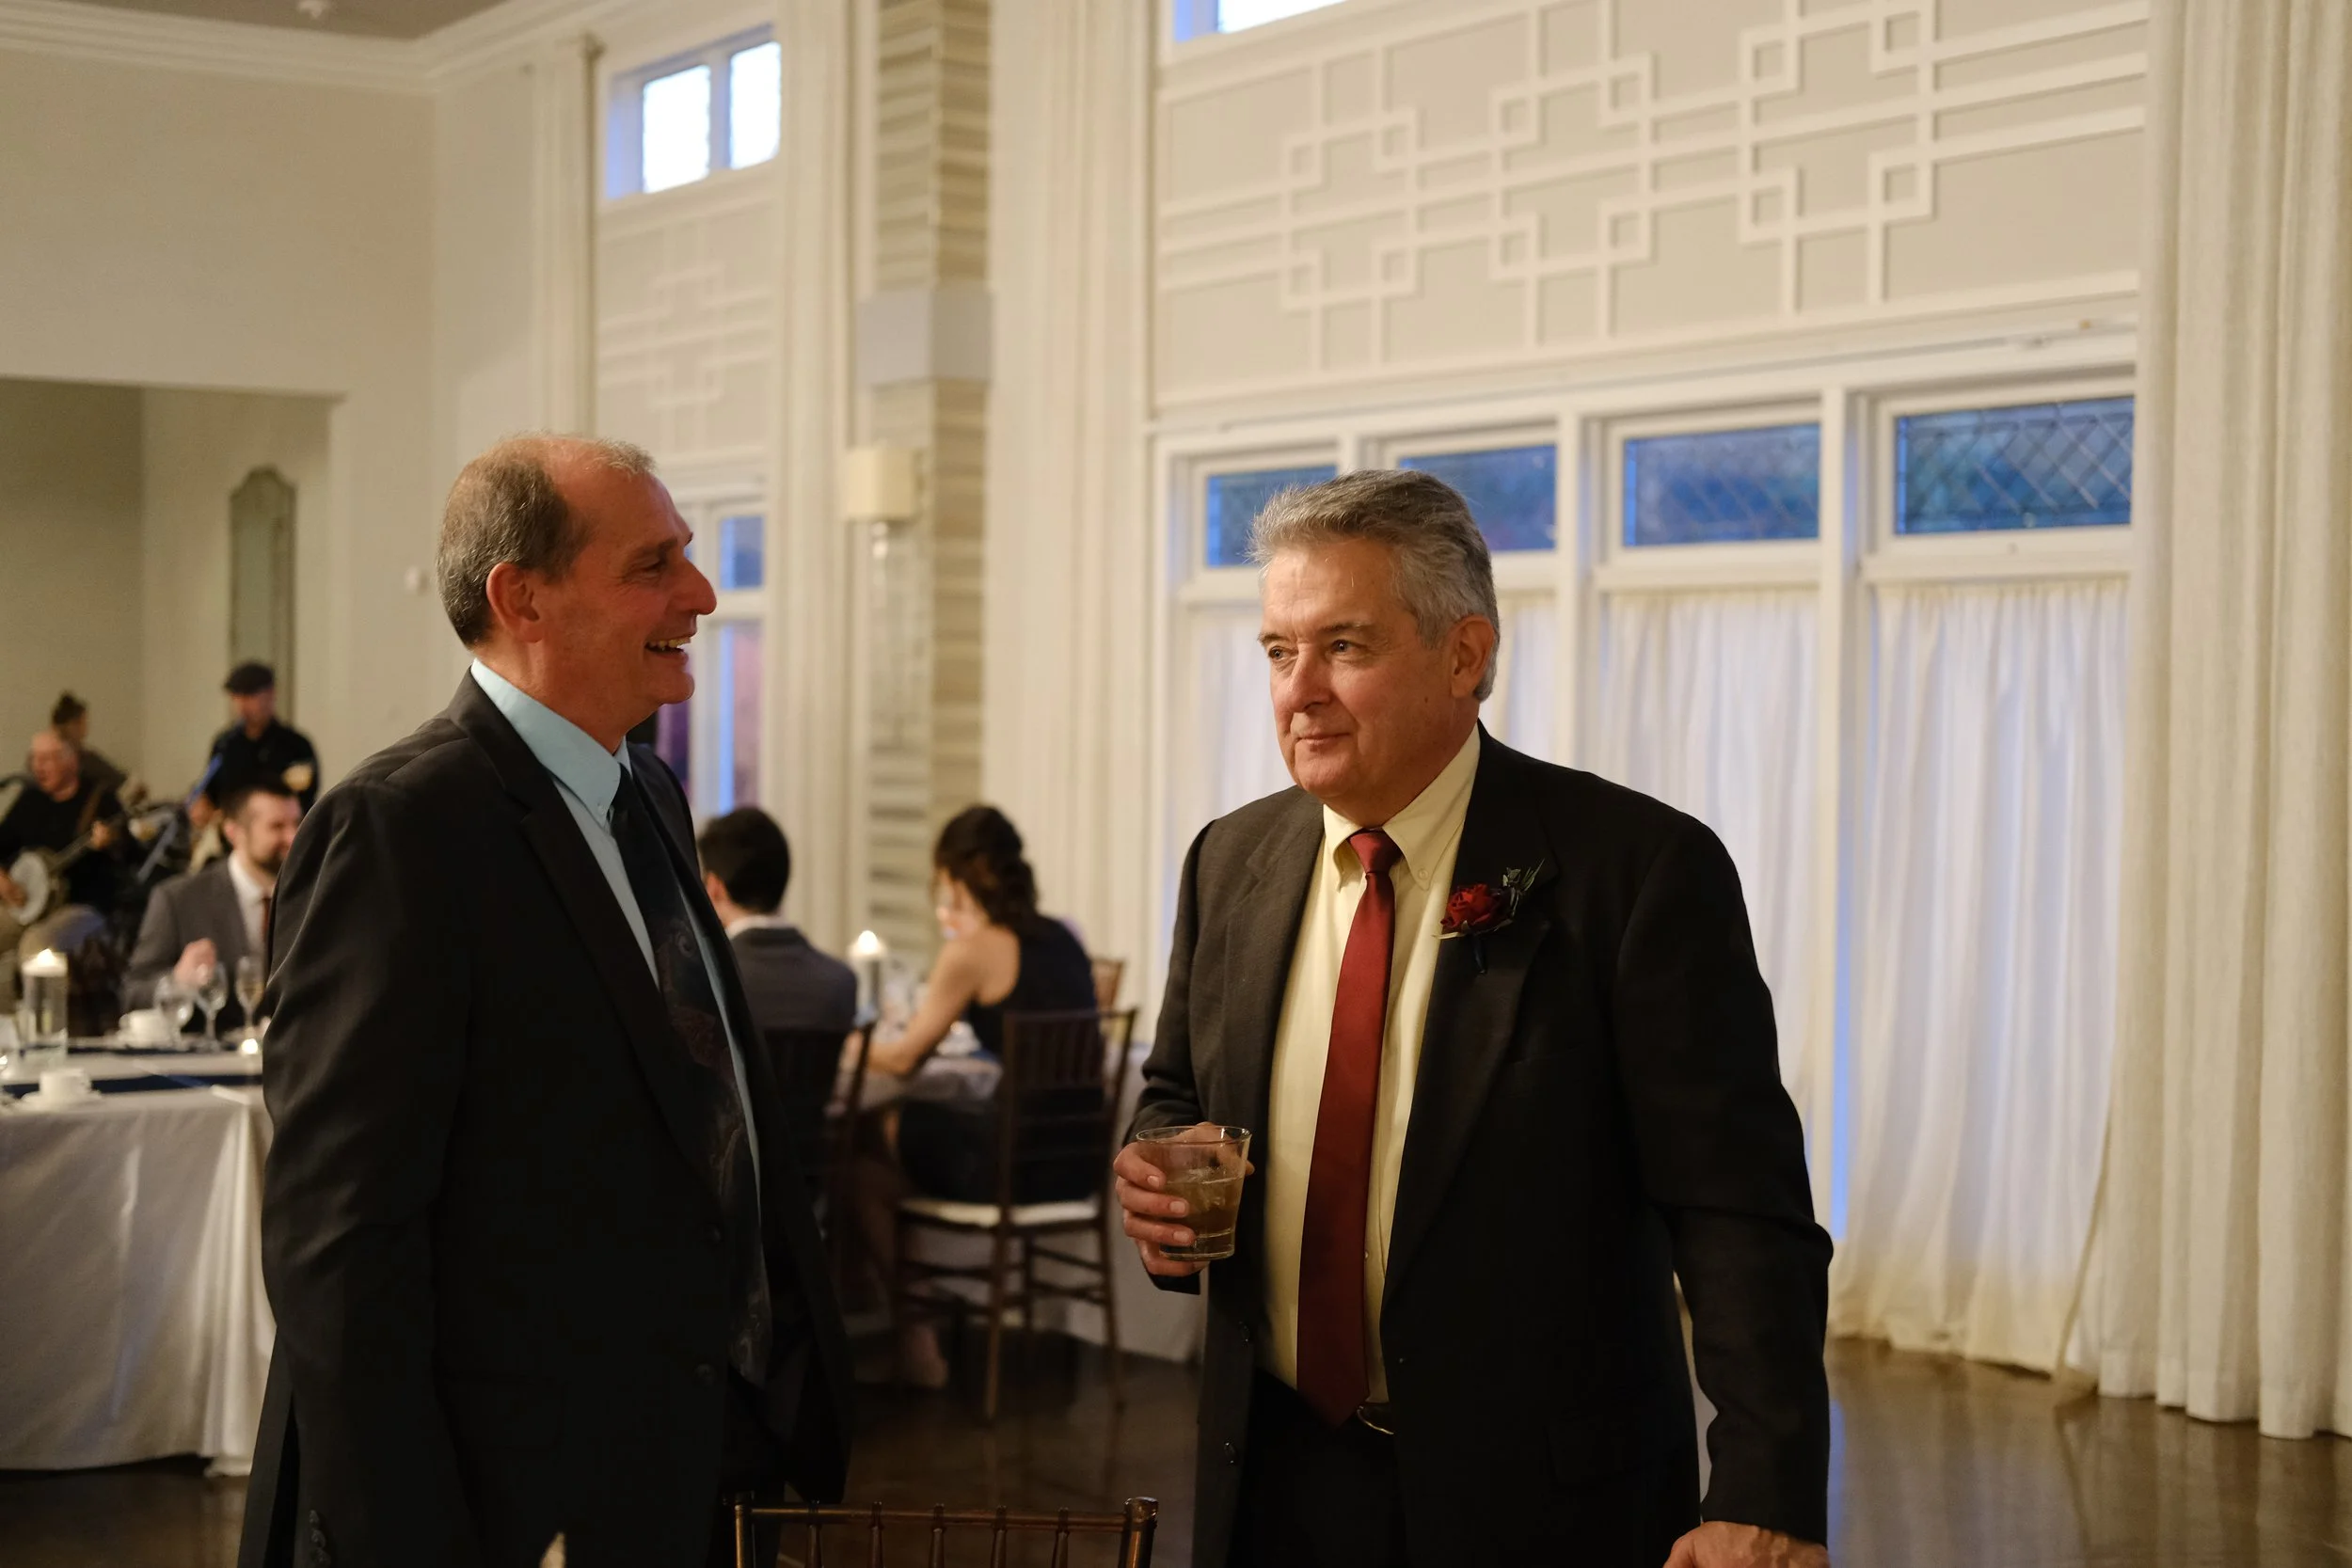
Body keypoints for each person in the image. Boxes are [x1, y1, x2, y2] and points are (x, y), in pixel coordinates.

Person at [1116, 470, 1832, 1568]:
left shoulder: (1635, 871)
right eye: (1277, 650)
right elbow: (1175, 1091)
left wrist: (1765, 1492)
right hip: (1270, 1475)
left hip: (1541, 1500)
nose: (1297, 691)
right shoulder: (1230, 859)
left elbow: (1738, 1210)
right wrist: (1162, 1172)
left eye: (1342, 646)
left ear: (1464, 655)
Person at [238, 436, 851, 1568]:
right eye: (653, 564)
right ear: (521, 598)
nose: (702, 594)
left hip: (690, 1453)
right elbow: (341, 1242)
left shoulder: (649, 787)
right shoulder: (402, 825)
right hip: (509, 1494)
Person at [849, 806, 1100, 1388]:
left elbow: (904, 1058)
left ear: (957, 876)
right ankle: (921, 1311)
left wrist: (848, 1041)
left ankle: (916, 1338)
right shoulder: (1063, 936)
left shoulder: (972, 950)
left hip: (1012, 1166)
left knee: (865, 1153)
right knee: (894, 1153)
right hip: (1078, 1160)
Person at [699, 807, 858, 1197]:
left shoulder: (705, 977)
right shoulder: (840, 982)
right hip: (806, 1186)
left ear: (714, 887)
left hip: (721, 1188)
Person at [123, 781, 301, 1029]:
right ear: (234, 832)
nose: (293, 838)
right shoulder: (178, 899)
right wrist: (177, 982)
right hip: (212, 1049)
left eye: (297, 824)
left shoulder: (309, 894)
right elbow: (133, 994)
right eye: (277, 826)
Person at [0, 729, 125, 1003]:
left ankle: (39, 1024)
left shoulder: (100, 799)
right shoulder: (30, 799)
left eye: (47, 759)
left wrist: (111, 841)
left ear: (71, 761)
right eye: (34, 759)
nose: (38, 767)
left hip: (81, 904)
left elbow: (131, 852)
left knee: (35, 947)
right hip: (27, 903)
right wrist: (4, 882)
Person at [195, 661, 319, 825]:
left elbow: (304, 798)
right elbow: (210, 791)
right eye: (236, 696)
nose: (242, 704)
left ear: (271, 694)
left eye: (250, 695)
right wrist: (202, 805)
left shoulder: (296, 745)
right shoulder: (225, 744)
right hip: (233, 831)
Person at [50, 691, 134, 803]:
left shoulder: (89, 760)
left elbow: (124, 783)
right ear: (73, 725)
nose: (86, 730)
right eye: (84, 723)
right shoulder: (88, 761)